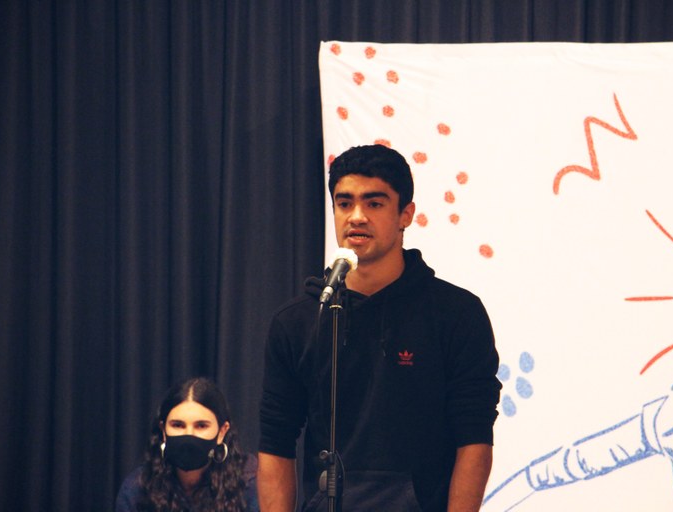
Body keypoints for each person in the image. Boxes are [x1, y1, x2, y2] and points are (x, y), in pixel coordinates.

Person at [257, 144, 502, 511]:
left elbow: (474, 437)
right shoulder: (299, 321)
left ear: (406, 214)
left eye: (374, 203)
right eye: (344, 203)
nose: (356, 216)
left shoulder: (456, 314)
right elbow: (276, 441)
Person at [116, 377, 259, 511]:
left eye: (201, 426)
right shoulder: (138, 488)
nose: (189, 435)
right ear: (163, 430)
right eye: (178, 425)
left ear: (222, 432)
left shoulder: (249, 484)